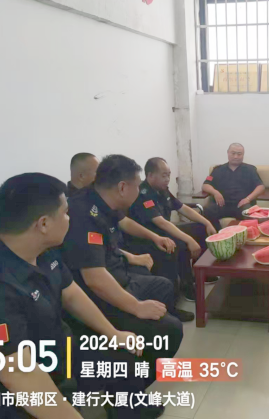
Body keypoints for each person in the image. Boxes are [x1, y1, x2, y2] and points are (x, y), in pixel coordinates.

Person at [0, 173, 163, 418]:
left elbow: (71, 293)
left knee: (124, 359)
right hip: (6, 389)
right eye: (66, 213)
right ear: (43, 224)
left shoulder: (40, 248)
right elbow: (19, 374)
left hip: (56, 348)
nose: (70, 218)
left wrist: (113, 334)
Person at [61, 154, 186, 370]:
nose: (138, 190)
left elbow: (124, 222)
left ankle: (144, 345)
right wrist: (137, 307)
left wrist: (155, 237)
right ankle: (136, 372)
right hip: (98, 294)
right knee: (171, 329)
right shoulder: (83, 215)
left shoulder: (103, 200)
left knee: (163, 286)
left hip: (119, 272)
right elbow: (95, 280)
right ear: (122, 187)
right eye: (136, 186)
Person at [126, 157, 219, 302]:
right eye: (164, 175)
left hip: (165, 231)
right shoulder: (143, 194)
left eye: (169, 175)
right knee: (181, 243)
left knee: (201, 228)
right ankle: (186, 285)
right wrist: (189, 239)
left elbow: (183, 208)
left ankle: (200, 273)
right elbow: (161, 223)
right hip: (150, 237)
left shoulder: (162, 190)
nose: (167, 179)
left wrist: (206, 222)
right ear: (150, 175)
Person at [202, 143, 265, 232]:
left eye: (239, 154)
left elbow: (261, 186)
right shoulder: (217, 169)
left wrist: (248, 199)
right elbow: (205, 185)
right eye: (233, 153)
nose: (236, 156)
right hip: (222, 204)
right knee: (207, 210)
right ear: (228, 153)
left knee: (249, 212)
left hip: (241, 204)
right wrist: (215, 192)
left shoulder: (250, 169)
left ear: (243, 155)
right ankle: (218, 234)